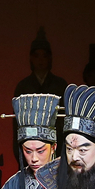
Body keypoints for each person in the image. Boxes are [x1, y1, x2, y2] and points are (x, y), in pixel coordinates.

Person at [13, 28, 68, 159]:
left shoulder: (60, 85)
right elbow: (17, 125)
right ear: (31, 59)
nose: (41, 60)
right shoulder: (23, 86)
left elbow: (65, 121)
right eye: (37, 56)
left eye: (44, 56)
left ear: (50, 58)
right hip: (30, 144)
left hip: (57, 143)